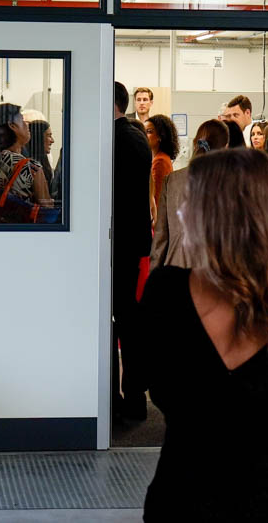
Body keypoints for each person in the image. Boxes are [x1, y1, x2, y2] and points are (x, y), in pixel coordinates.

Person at [135, 149, 268, 523]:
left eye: (191, 204)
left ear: (222, 218)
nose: (181, 214)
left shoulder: (164, 293)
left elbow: (145, 380)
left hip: (183, 501)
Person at [113, 81, 154, 421]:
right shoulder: (135, 135)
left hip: (118, 243)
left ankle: (125, 398)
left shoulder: (117, 138)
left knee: (122, 321)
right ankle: (133, 396)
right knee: (128, 319)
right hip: (131, 241)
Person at [150, 118, 229, 270]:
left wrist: (154, 279)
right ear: (225, 148)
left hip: (175, 267)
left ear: (195, 143)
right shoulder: (229, 183)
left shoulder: (172, 180)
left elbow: (160, 239)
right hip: (214, 273)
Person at [0, 102, 52, 218]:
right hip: (21, 231)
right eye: (22, 120)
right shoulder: (31, 167)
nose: (27, 126)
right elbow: (47, 210)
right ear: (12, 126)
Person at [145, 114, 179, 220]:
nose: (144, 135)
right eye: (144, 131)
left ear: (160, 136)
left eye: (149, 131)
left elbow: (157, 197)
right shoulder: (160, 157)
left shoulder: (160, 161)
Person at [27, 119, 60, 201]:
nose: (52, 140)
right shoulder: (31, 165)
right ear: (38, 138)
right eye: (49, 136)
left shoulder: (43, 161)